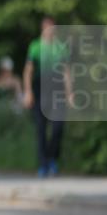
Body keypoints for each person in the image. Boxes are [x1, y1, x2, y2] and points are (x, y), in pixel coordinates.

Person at [23, 17, 73, 177]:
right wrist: (28, 92)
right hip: (40, 90)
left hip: (56, 89)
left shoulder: (60, 48)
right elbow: (28, 71)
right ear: (42, 29)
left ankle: (52, 158)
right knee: (41, 129)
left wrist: (70, 93)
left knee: (58, 127)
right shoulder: (36, 47)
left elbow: (66, 72)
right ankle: (43, 164)